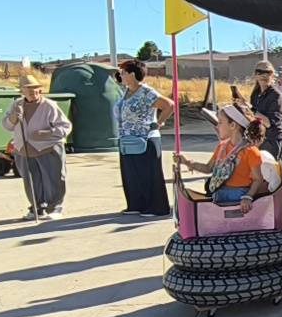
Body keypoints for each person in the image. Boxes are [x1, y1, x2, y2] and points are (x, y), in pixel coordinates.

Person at [1, 76, 72, 220]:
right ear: (22, 91)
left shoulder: (49, 105)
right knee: (31, 181)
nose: (33, 92)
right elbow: (7, 125)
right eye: (29, 89)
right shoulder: (16, 105)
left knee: (54, 178)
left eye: (36, 89)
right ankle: (37, 207)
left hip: (48, 148)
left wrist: (46, 134)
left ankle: (55, 207)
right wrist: (14, 117)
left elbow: (65, 126)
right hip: (23, 149)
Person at [175, 104, 268, 212]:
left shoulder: (250, 151)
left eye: (220, 122)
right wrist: (186, 162)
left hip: (239, 196)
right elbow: (208, 168)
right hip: (219, 194)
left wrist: (248, 197)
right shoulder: (222, 147)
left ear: (233, 125)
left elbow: (258, 179)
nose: (217, 126)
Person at [115, 59, 173, 218]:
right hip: (127, 138)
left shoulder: (147, 92)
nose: (121, 76)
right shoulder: (126, 92)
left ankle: (156, 207)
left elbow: (169, 105)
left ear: (132, 74)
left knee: (149, 173)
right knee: (131, 173)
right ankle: (136, 204)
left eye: (124, 73)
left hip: (146, 139)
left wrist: (158, 123)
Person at [248, 60, 282, 161]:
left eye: (268, 72)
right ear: (255, 74)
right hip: (259, 140)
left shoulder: (276, 96)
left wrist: (250, 110)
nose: (263, 75)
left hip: (273, 141)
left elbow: (269, 123)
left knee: (274, 175)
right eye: (259, 72)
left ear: (272, 74)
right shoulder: (255, 94)